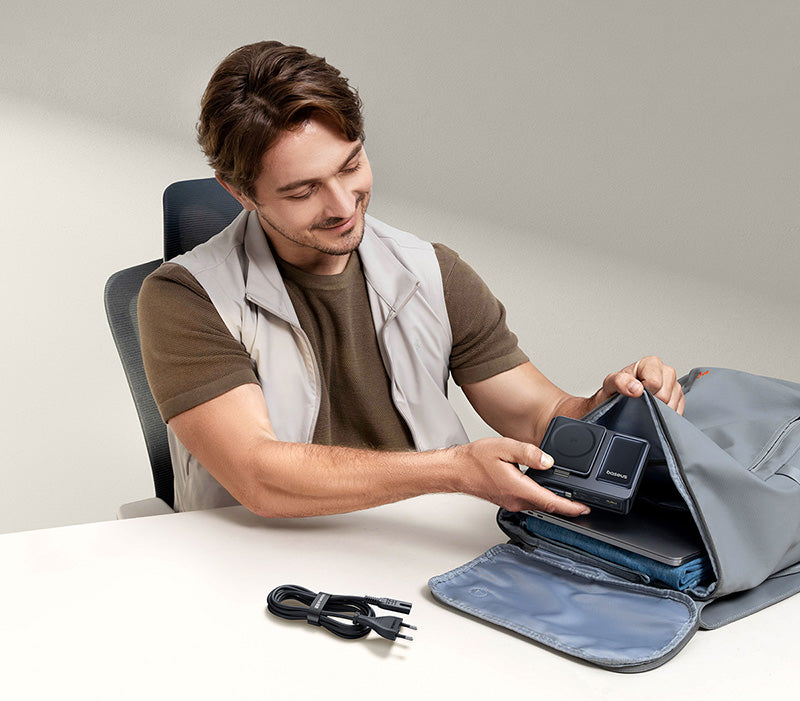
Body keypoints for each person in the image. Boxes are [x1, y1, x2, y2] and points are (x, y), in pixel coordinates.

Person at [138, 40, 684, 518]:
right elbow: (259, 476)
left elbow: (541, 416)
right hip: (262, 570)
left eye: (350, 166)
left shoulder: (432, 272)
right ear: (239, 192)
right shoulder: (185, 299)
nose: (341, 204)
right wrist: (452, 470)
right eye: (303, 191)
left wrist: (611, 404)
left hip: (415, 548)